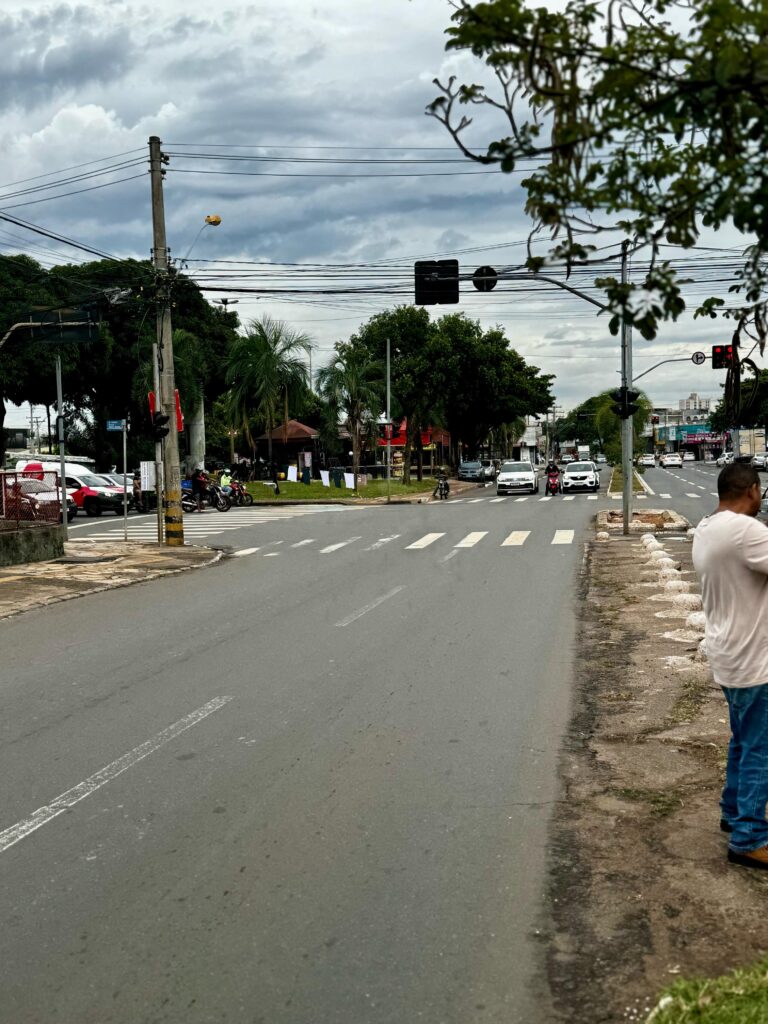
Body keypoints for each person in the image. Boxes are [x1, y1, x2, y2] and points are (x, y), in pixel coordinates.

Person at [692, 463, 768, 870]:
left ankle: (732, 811)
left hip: (728, 654)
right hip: (755, 659)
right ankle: (750, 837)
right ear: (752, 491)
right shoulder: (746, 531)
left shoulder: (707, 527)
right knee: (761, 749)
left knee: (744, 741)